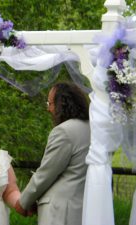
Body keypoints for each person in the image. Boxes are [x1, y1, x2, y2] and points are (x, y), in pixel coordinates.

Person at [15, 82, 91, 225]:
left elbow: (46, 173)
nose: (49, 109)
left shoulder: (64, 131)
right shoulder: (93, 129)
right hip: (83, 208)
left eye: (50, 103)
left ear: (62, 104)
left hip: (61, 213)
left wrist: (24, 201)